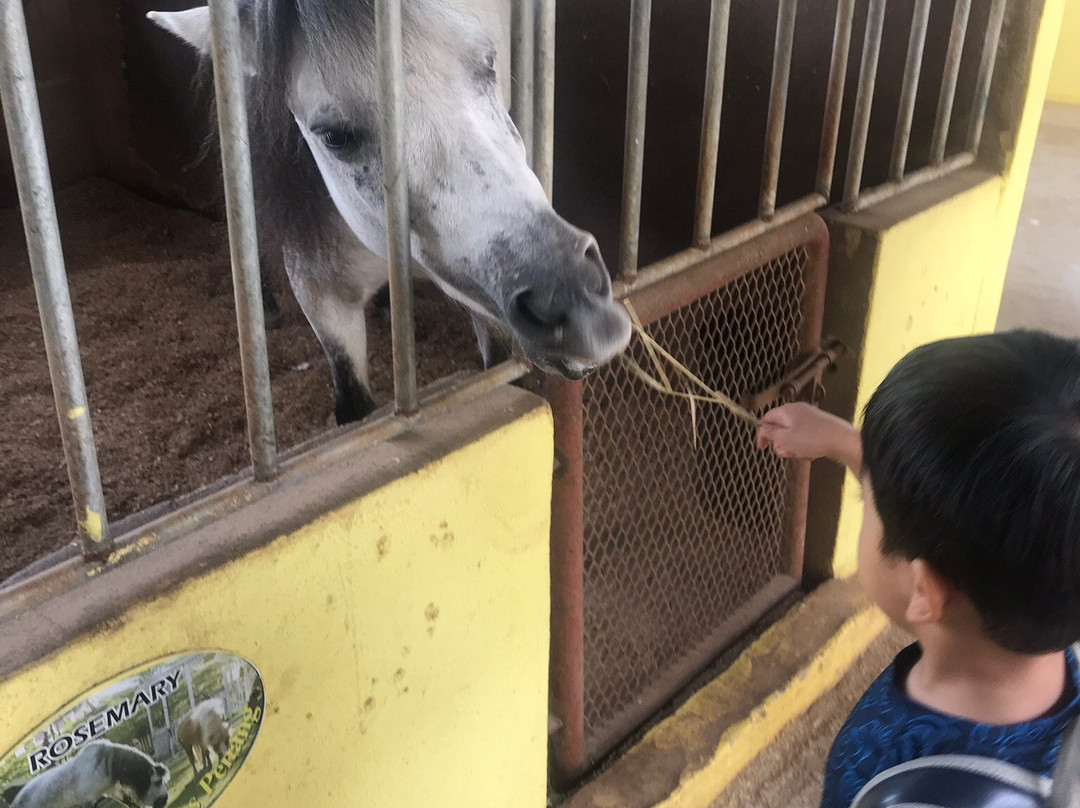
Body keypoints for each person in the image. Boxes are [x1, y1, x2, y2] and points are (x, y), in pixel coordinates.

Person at [755, 330, 1080, 808]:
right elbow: (972, 508)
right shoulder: (1052, 585)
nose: (869, 494)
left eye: (869, 500)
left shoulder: (915, 791)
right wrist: (845, 441)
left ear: (924, 588)